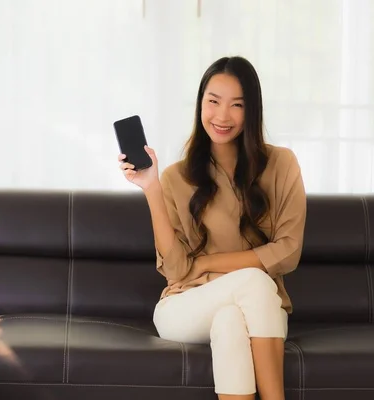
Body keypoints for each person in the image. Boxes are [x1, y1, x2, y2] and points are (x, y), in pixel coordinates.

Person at [118, 56, 307, 400]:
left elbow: (288, 252)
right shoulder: (176, 176)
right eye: (213, 101)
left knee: (232, 319)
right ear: (200, 103)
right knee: (254, 280)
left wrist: (205, 263)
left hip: (262, 309)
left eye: (237, 105)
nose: (222, 116)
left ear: (252, 111)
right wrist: (151, 187)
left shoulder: (282, 164)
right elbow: (176, 270)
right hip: (185, 306)